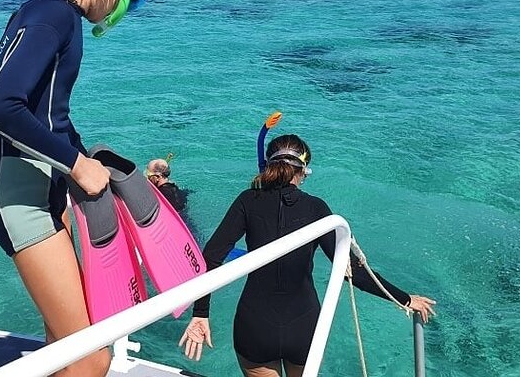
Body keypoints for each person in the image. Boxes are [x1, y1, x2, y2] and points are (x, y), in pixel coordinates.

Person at [0, 0, 147, 377]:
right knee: (92, 356)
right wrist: (76, 164)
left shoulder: (56, 13)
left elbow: (48, 116)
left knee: (64, 344)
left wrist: (88, 158)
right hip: (22, 203)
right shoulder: (52, 16)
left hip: (45, 197)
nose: (125, 6)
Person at [178, 134, 436, 377]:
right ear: (303, 171)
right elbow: (350, 271)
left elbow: (211, 257)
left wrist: (201, 314)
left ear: (268, 165)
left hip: (255, 325)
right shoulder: (316, 208)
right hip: (303, 325)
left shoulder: (247, 200)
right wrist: (403, 298)